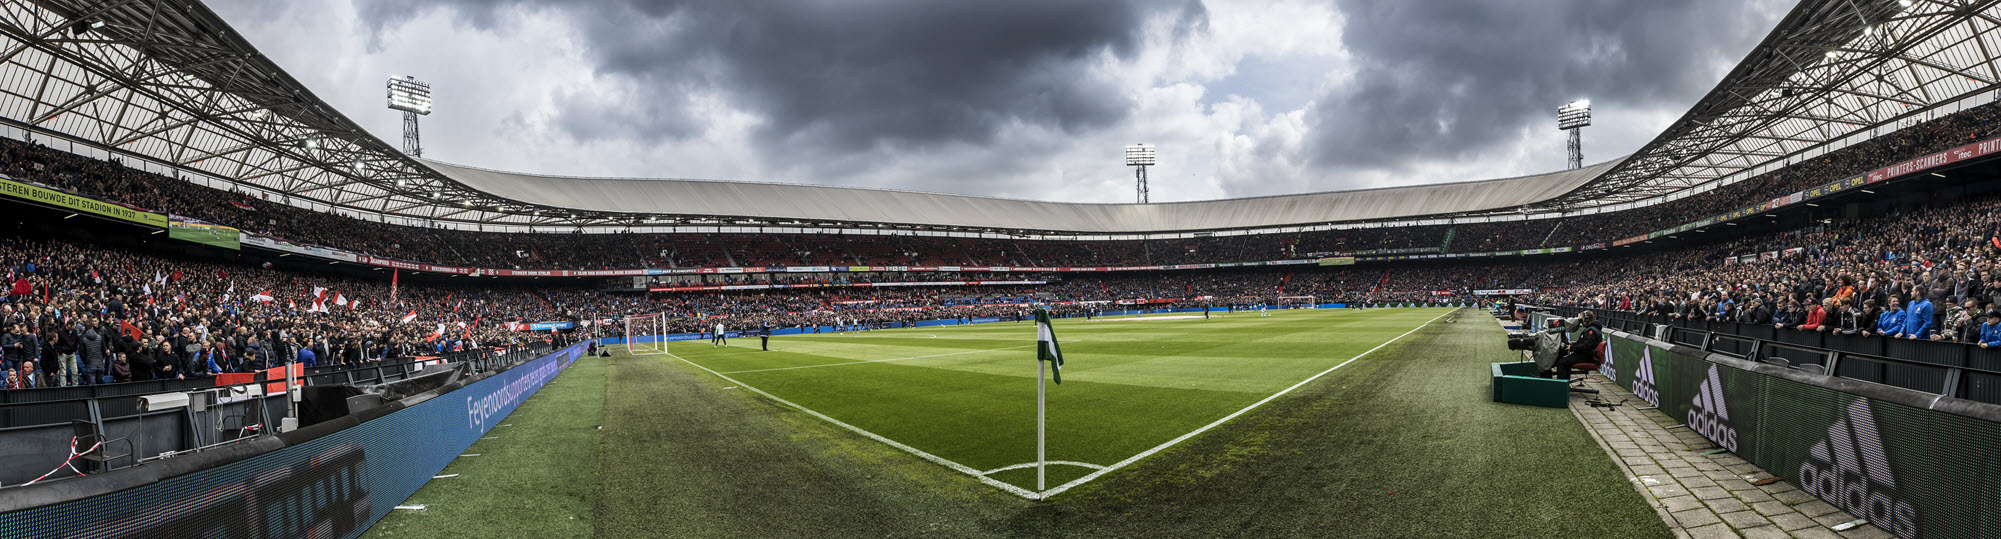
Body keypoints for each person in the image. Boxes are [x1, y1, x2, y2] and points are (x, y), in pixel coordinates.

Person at [1551, 311, 1603, 379]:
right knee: (1565, 362)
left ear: (1587, 320)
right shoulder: (1594, 329)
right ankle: (1565, 384)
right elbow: (1588, 343)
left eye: (1582, 320)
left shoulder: (1590, 331)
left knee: (1561, 363)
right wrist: (1575, 344)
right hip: (1588, 355)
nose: (1581, 322)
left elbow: (1587, 346)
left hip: (1586, 357)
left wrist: (1572, 347)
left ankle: (1561, 386)